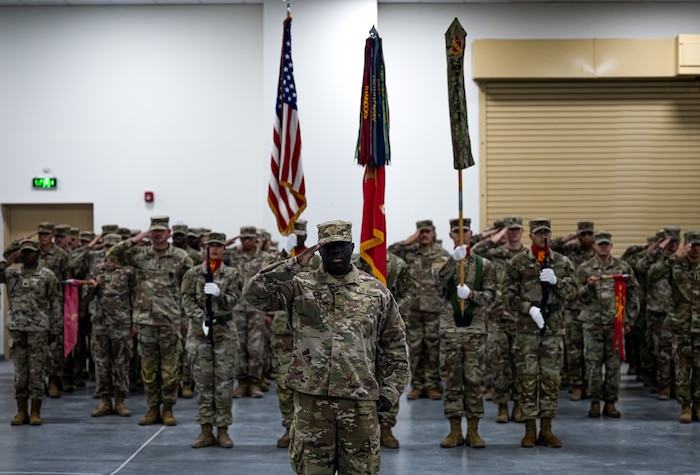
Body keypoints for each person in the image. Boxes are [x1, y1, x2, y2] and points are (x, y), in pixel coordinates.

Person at [243, 220, 408, 475]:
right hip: (312, 403)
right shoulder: (299, 285)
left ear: (351, 247)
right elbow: (253, 294)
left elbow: (395, 346)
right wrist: (293, 264)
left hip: (359, 403)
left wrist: (390, 391)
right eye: (329, 247)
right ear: (319, 250)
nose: (336, 252)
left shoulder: (376, 292)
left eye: (342, 246)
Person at [108, 215, 193, 426]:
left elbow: (190, 286)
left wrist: (185, 315)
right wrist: (136, 239)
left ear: (168, 233)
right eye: (153, 230)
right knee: (148, 369)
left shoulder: (181, 257)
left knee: (170, 369)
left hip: (170, 320)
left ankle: (169, 409)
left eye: (160, 230)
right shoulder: (139, 255)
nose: (156, 234)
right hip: (145, 321)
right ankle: (153, 409)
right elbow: (112, 254)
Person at [502, 218, 577, 448]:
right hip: (527, 330)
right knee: (527, 380)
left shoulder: (562, 262)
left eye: (546, 233)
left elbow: (574, 292)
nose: (543, 236)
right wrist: (529, 308)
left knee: (550, 380)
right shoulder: (518, 262)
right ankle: (529, 429)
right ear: (530, 236)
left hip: (553, 328)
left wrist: (558, 282)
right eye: (538, 233)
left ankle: (546, 429)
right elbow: (507, 295)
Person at [433, 218, 497, 448]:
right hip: (450, 331)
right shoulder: (441, 261)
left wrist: (471, 295)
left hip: (475, 331)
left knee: (474, 381)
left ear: (471, 234)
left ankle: (473, 430)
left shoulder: (485, 265)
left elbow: (491, 296)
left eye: (465, 231)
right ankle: (454, 431)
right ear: (450, 236)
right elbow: (437, 280)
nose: (461, 235)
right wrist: (454, 261)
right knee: (451, 381)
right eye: (456, 232)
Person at [182, 232, 244, 448]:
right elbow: (186, 299)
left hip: (224, 332)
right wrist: (201, 318)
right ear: (204, 248)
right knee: (203, 384)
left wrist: (220, 295)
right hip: (200, 333)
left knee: (224, 384)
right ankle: (205, 430)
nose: (215, 249)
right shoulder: (193, 273)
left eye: (219, 246)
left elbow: (235, 300)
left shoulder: (233, 274)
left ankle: (224, 430)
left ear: (224, 249)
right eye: (211, 246)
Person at [355, 250, 417, 449]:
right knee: (359, 378)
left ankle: (387, 427)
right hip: (361, 331)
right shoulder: (355, 263)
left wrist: (390, 307)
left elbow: (410, 292)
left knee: (390, 375)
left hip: (389, 328)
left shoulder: (398, 264)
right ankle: (361, 427)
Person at [577, 231, 639, 418]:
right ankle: (595, 402)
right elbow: (575, 296)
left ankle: (611, 402)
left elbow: (634, 293)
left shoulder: (622, 267)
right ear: (594, 246)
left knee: (613, 366)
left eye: (607, 244)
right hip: (592, 324)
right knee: (593, 365)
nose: (603, 247)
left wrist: (629, 319)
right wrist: (587, 287)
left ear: (611, 246)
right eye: (600, 244)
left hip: (615, 324)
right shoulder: (585, 269)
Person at [1, 239, 62, 426]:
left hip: (39, 329)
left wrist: (55, 328)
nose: (27, 255)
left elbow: (56, 303)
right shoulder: (12, 274)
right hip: (18, 328)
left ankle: (35, 411)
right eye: (24, 252)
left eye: (30, 252)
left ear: (38, 254)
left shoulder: (47, 275)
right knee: (20, 373)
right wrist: (10, 259)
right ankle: (21, 411)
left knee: (36, 372)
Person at [475, 215, 528, 423]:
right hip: (496, 317)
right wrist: (493, 238)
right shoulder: (494, 254)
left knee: (521, 364)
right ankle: (503, 406)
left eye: (516, 230)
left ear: (522, 232)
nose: (513, 233)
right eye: (509, 230)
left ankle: (518, 406)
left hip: (522, 319)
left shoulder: (528, 256)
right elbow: (474, 252)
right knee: (499, 365)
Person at [389, 220, 449, 400]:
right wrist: (408, 241)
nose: (424, 235)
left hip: (434, 309)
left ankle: (432, 385)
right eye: (421, 232)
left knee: (433, 349)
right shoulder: (408, 252)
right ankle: (417, 385)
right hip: (412, 309)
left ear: (434, 233)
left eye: (427, 232)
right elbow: (388, 252)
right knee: (414, 349)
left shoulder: (442, 255)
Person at [85, 233, 137, 418]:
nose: (109, 251)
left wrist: (134, 321)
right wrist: (90, 288)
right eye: (107, 247)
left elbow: (136, 297)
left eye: (113, 247)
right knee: (101, 364)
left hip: (121, 324)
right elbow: (86, 297)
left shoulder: (128, 271)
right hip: (100, 324)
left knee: (121, 363)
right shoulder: (97, 270)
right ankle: (105, 401)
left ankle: (120, 400)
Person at [553, 221, 596, 401]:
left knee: (591, 350)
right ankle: (576, 384)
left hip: (591, 307)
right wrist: (570, 236)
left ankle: (590, 385)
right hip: (571, 307)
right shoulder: (570, 252)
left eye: (589, 234)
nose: (586, 238)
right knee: (573, 349)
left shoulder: (597, 253)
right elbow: (553, 247)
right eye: (583, 234)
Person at [225, 226, 268, 398]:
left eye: (250, 238)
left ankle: (254, 382)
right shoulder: (233, 256)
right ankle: (241, 382)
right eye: (243, 239)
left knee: (255, 347)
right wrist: (226, 243)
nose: (246, 241)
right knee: (239, 346)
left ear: (256, 239)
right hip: (237, 308)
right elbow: (208, 255)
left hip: (257, 308)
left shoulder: (265, 258)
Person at [664, 230, 700, 423]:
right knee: (682, 369)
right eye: (692, 245)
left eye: (698, 245)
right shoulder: (675, 265)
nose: (695, 249)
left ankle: (699, 405)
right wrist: (672, 257)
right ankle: (685, 406)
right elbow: (653, 273)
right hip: (682, 325)